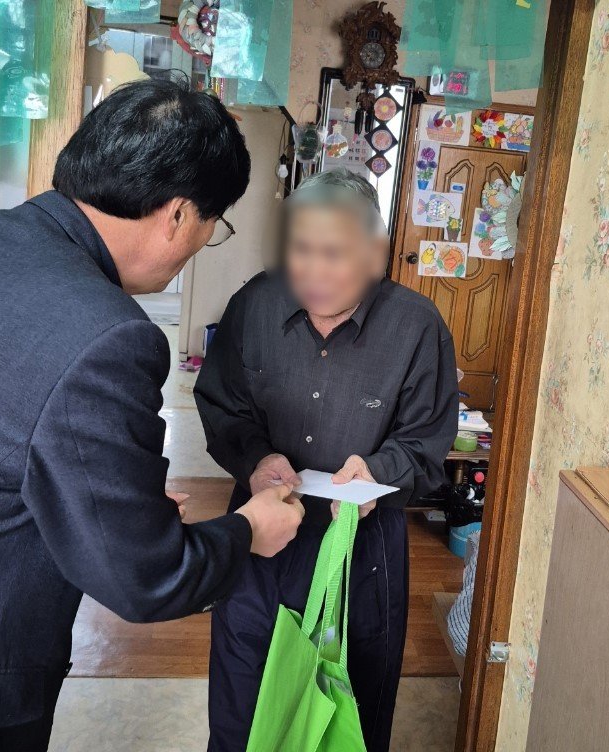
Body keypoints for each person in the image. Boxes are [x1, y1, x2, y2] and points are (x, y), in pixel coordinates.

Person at [0, 79, 304, 752]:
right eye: (212, 227)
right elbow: (146, 578)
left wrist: (105, 503)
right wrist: (249, 529)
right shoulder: (109, 336)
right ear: (178, 215)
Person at [195, 168, 459, 751]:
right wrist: (256, 458)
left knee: (349, 707)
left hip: (361, 552)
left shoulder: (417, 328)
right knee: (243, 701)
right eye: (301, 251)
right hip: (260, 536)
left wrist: (378, 472)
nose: (312, 273)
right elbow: (223, 405)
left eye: (333, 254)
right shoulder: (254, 305)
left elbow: (427, 442)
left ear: (373, 254)